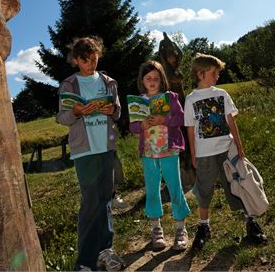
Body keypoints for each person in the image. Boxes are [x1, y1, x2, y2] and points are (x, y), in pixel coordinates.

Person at [184, 53, 267, 249]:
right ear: (200, 73)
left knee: (240, 184)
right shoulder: (191, 99)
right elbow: (189, 129)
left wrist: (239, 145)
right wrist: (193, 155)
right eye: (214, 72)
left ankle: (251, 222)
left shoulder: (222, 94)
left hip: (227, 150)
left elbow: (231, 120)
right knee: (204, 190)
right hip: (204, 154)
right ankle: (204, 227)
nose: (218, 76)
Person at [57, 36, 125, 271]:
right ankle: (85, 261)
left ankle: (106, 251)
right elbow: (62, 118)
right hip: (84, 152)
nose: (90, 65)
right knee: (90, 202)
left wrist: (111, 109)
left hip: (106, 148)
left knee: (105, 200)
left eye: (94, 59)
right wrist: (75, 111)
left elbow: (117, 112)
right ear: (76, 60)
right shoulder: (69, 85)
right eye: (85, 61)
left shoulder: (108, 82)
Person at [129, 60, 190, 251]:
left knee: (175, 187)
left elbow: (181, 118)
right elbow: (132, 127)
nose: (152, 81)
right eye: (149, 78)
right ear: (143, 80)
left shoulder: (170, 97)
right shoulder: (138, 102)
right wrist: (143, 126)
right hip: (148, 153)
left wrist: (165, 119)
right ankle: (156, 229)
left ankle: (181, 229)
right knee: (152, 189)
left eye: (156, 78)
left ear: (161, 79)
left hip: (169, 150)